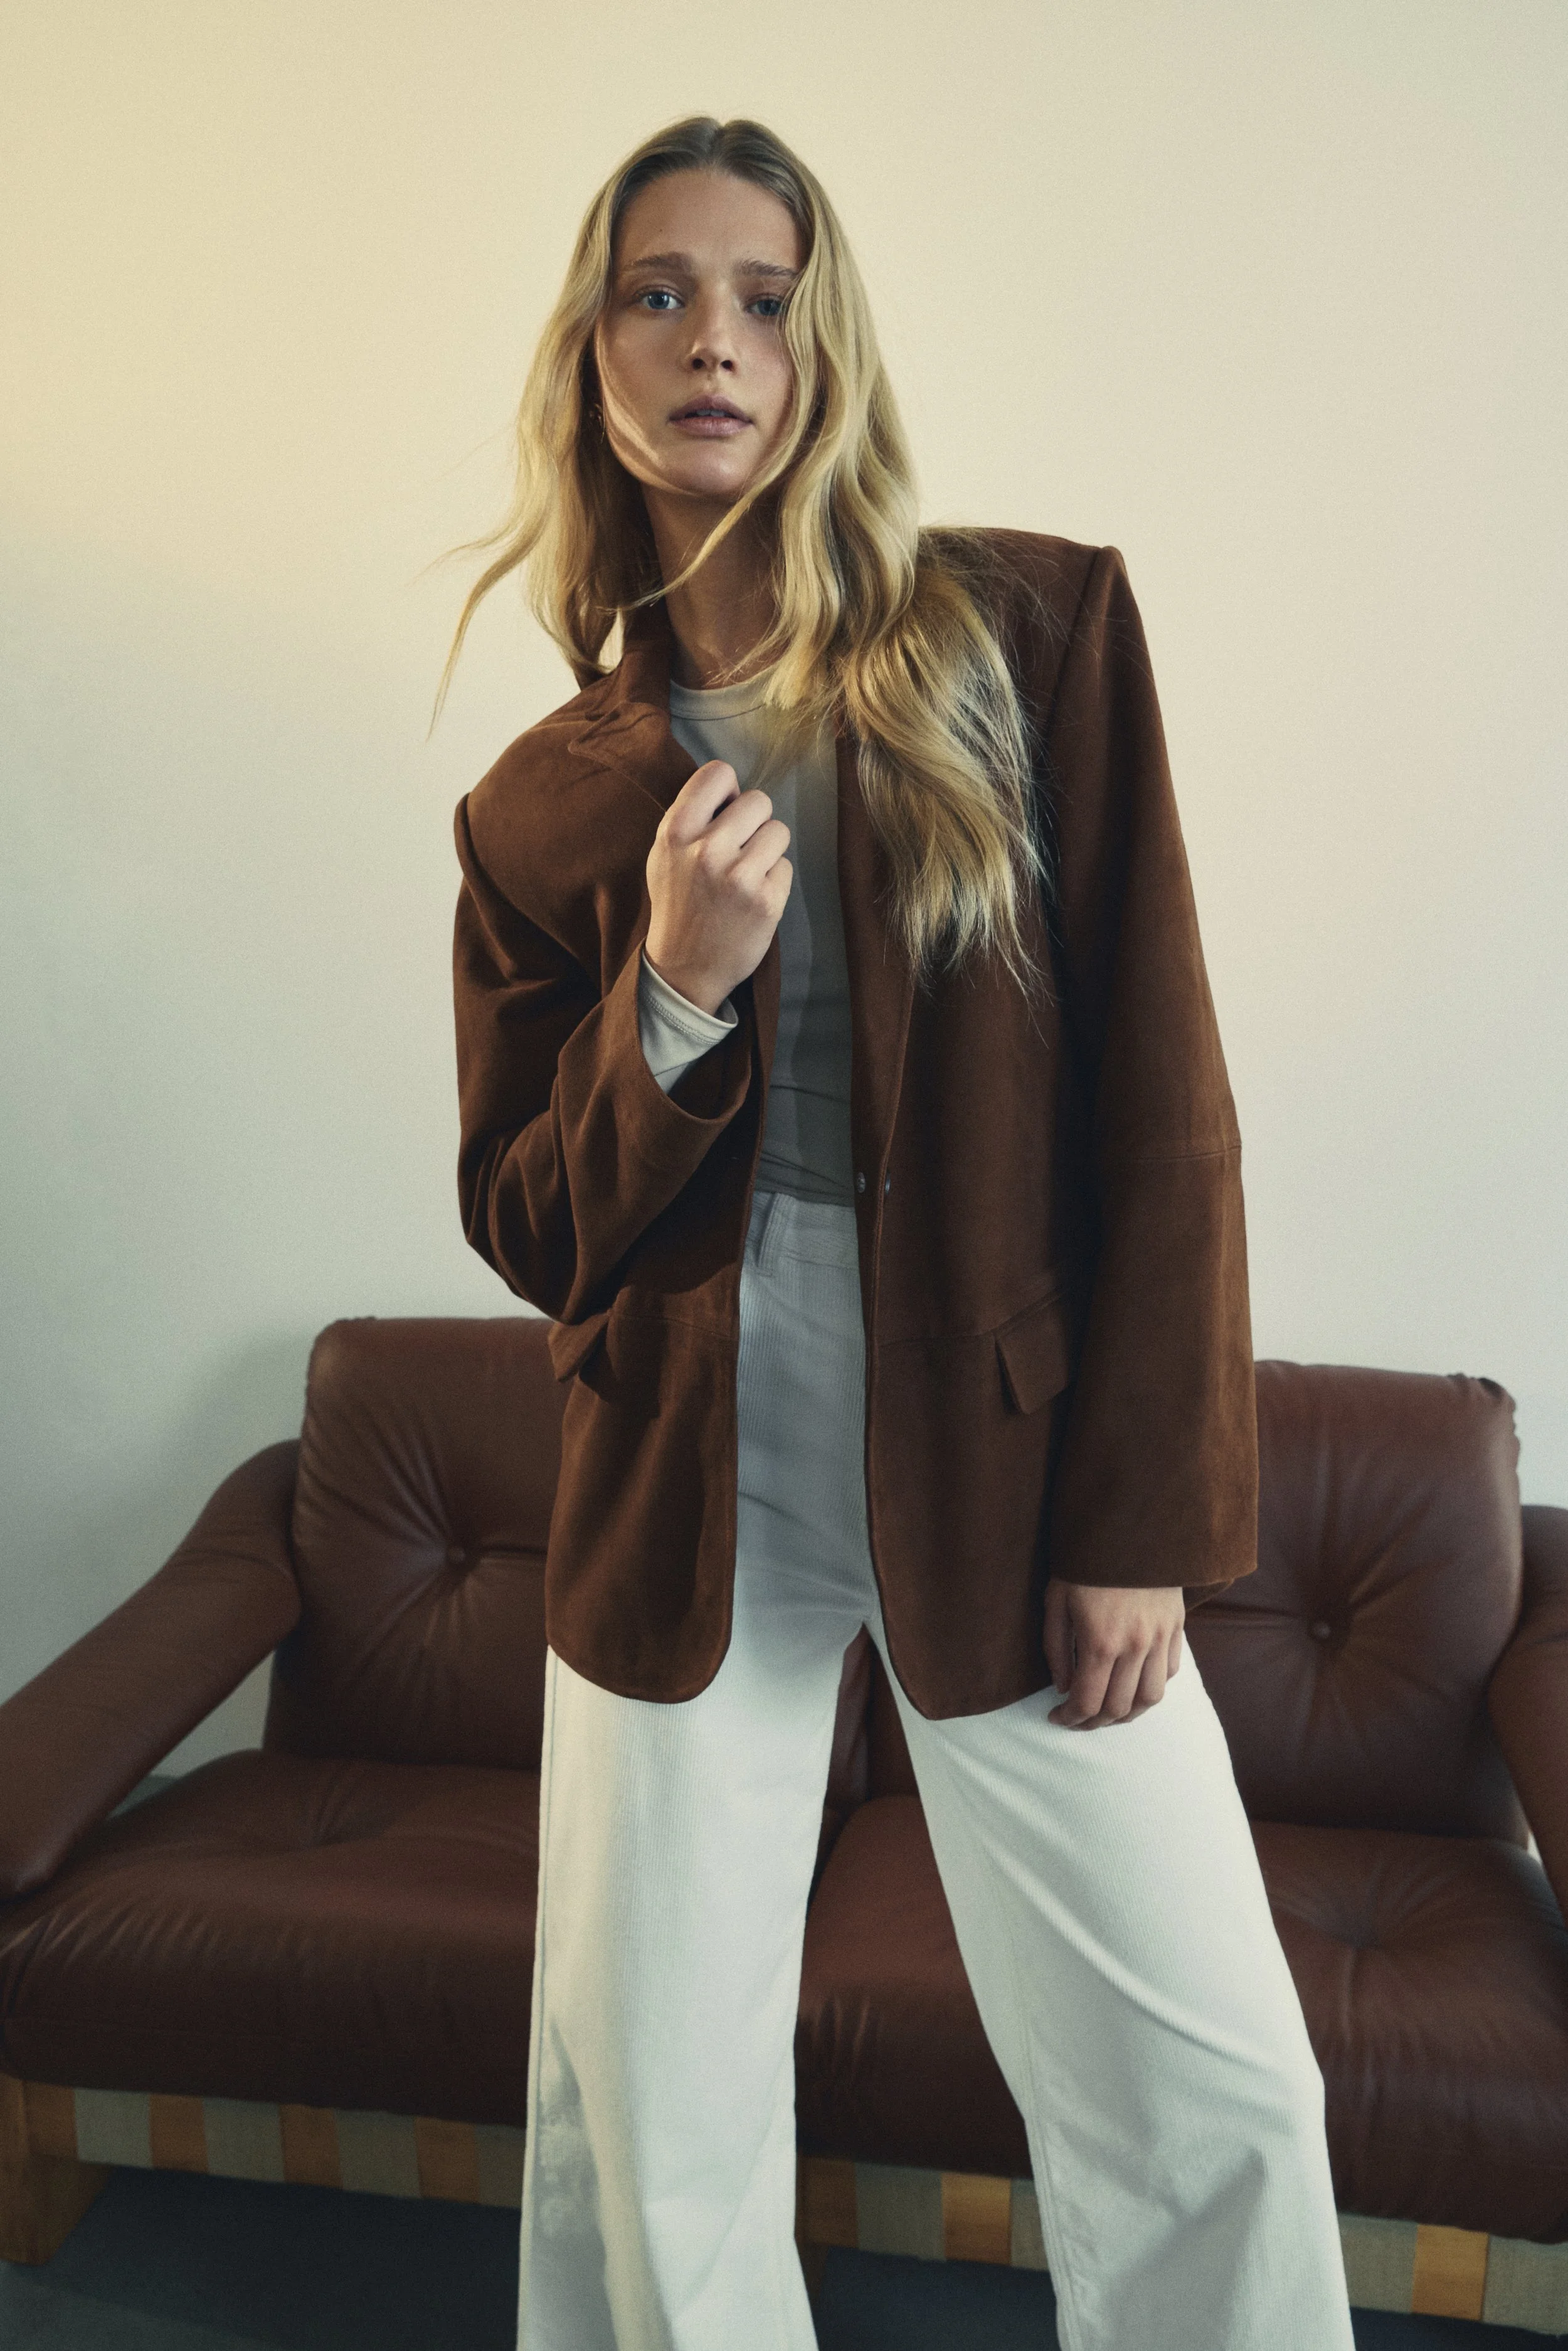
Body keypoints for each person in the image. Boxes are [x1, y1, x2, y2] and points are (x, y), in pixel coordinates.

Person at [445, 112, 1355, 2351]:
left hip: (1012, 1459)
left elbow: (1165, 1105)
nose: (709, 342)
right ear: (591, 362)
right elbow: (527, 1219)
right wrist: (666, 993)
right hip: (681, 1488)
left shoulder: (1026, 634)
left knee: (1207, 2086)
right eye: (653, 294)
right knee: (644, 2112)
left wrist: (1141, 1514)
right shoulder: (543, 800)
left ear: (824, 348)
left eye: (761, 296)